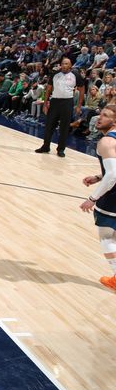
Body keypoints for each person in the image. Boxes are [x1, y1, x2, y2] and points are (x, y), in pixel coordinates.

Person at [80, 105, 116, 293]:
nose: (99, 117)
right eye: (100, 113)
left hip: (112, 197)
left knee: (106, 237)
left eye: (105, 115)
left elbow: (113, 175)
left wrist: (93, 198)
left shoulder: (106, 142)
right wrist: (98, 177)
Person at [35, 57, 84, 157]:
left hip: (67, 102)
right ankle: (45, 146)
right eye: (63, 63)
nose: (65, 65)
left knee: (64, 127)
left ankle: (61, 149)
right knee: (49, 125)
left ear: (70, 65)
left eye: (67, 63)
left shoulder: (75, 75)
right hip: (55, 102)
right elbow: (48, 90)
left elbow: (82, 89)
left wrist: (79, 105)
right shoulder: (55, 74)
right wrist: (45, 104)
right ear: (60, 65)